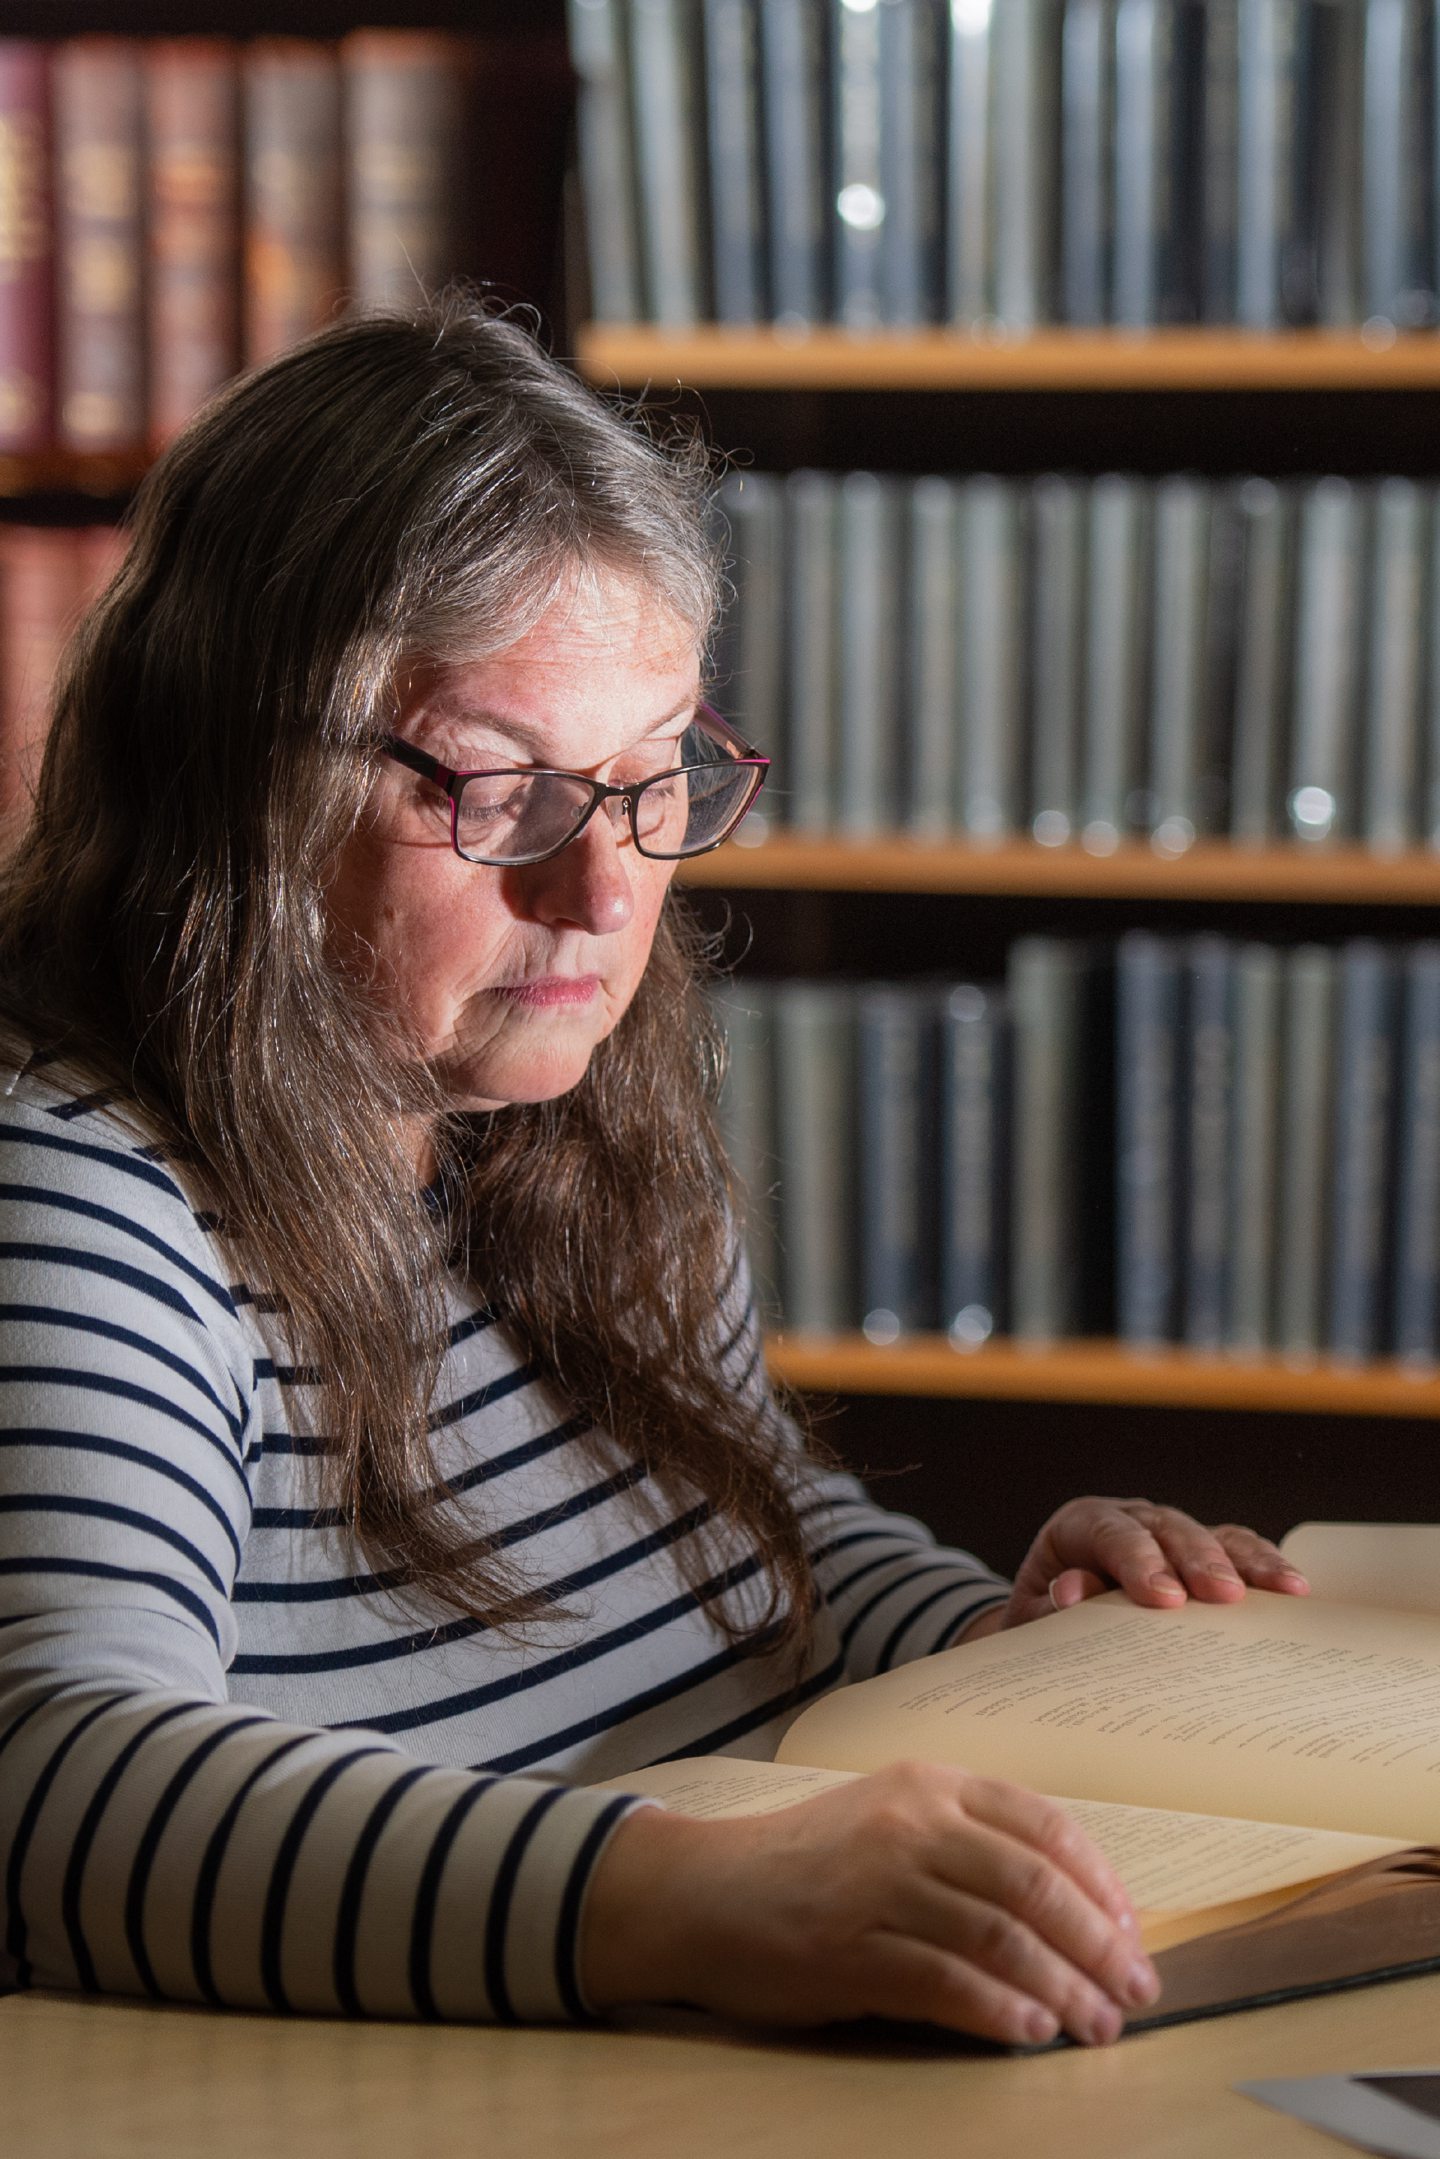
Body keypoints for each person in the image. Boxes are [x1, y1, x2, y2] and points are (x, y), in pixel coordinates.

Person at [0, 296, 1307, 2051]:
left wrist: (1009, 1634)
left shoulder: (548, 1093)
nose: (609, 894)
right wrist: (691, 1893)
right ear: (231, 772)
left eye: (654, 776)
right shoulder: (68, 1179)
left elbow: (747, 1548)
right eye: (498, 791)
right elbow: (54, 1784)